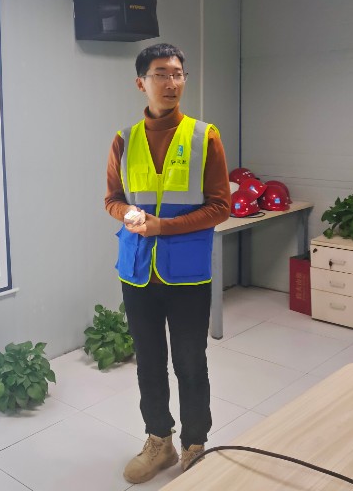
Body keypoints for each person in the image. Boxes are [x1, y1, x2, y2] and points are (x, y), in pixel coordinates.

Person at [105, 42, 231, 484]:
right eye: (161, 74)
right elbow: (112, 199)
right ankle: (159, 440)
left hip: (187, 273)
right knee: (148, 362)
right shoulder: (124, 139)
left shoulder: (204, 136)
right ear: (141, 83)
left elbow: (220, 207)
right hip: (137, 272)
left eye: (178, 73)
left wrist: (163, 227)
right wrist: (128, 214)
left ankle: (194, 444)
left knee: (191, 362)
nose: (171, 82)